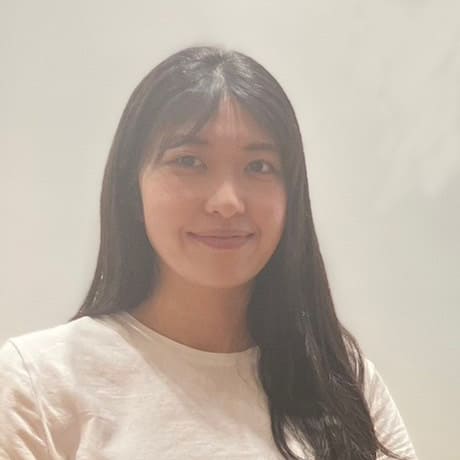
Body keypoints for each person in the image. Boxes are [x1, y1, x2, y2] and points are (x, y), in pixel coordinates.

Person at [0, 46, 418, 460]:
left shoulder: (340, 378)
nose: (227, 202)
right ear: (132, 189)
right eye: (189, 161)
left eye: (259, 166)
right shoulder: (38, 384)